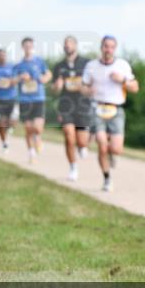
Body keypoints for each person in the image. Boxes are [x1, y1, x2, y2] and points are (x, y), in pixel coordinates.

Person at [82, 35, 139, 192]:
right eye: (106, 46)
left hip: (116, 109)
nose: (108, 50)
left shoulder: (122, 65)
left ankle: (113, 153)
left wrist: (122, 80)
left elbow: (135, 88)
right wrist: (88, 90)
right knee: (101, 143)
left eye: (111, 47)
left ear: (115, 49)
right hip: (98, 108)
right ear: (101, 47)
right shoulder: (91, 66)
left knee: (116, 149)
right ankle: (107, 178)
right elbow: (83, 87)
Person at [52, 35, 93, 181]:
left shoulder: (86, 63)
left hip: (82, 105)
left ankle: (83, 145)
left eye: (69, 43)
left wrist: (85, 88)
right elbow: (54, 90)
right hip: (65, 105)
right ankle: (73, 167)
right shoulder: (58, 66)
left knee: (81, 141)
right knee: (69, 136)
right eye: (65, 44)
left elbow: (92, 86)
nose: (67, 46)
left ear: (76, 45)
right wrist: (57, 86)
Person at [14, 37, 51, 163]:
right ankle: (31, 153)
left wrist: (43, 79)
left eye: (30, 45)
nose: (28, 48)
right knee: (28, 128)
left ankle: (38, 137)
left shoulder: (39, 62)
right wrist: (20, 78)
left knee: (37, 127)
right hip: (24, 100)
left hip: (38, 98)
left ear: (33, 47)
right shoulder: (19, 65)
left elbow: (48, 74)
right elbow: (11, 81)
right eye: (26, 46)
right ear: (22, 48)